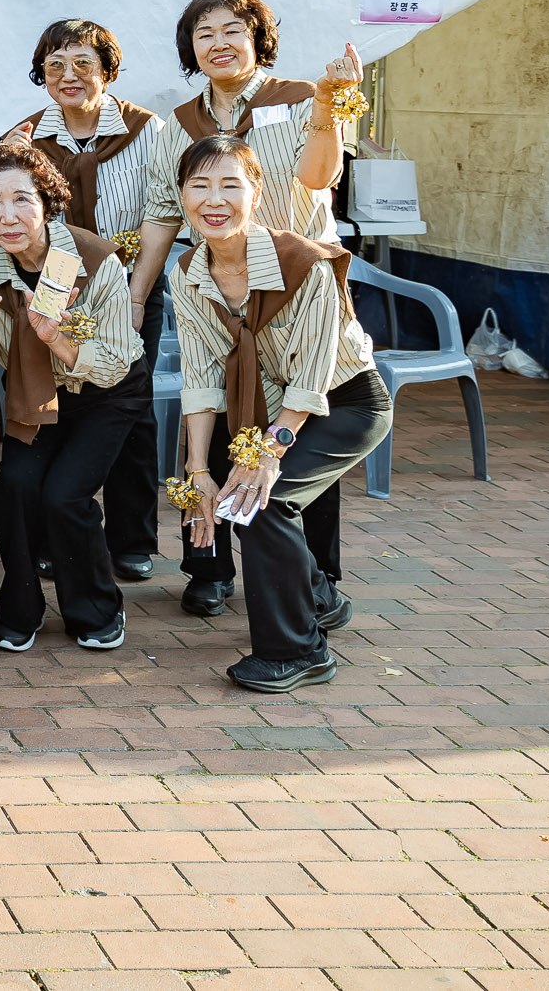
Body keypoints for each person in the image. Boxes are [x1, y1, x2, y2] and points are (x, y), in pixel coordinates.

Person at [128, 0, 363, 618]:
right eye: (204, 34)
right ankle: (206, 565)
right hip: (218, 285)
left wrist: (327, 104)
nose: (219, 43)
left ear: (258, 37)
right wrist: (133, 302)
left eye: (234, 29)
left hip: (296, 287)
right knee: (210, 405)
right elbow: (159, 216)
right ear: (190, 48)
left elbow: (319, 178)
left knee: (301, 416)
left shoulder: (298, 99)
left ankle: (318, 576)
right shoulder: (174, 125)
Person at [166, 136, 391, 692]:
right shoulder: (190, 271)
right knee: (230, 492)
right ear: (181, 196)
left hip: (344, 401)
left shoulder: (306, 265)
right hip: (264, 404)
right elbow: (200, 378)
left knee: (261, 503)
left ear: (256, 192)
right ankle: (317, 595)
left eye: (229, 185)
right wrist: (198, 473)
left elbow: (313, 380)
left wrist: (267, 454)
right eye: (199, 186)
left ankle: (299, 651)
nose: (213, 200)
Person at [0, 144, 144, 652]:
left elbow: (118, 359)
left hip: (104, 392)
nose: (7, 216)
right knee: (14, 486)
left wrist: (55, 336)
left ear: (48, 201)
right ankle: (20, 604)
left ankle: (96, 608)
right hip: (34, 397)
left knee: (64, 495)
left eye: (21, 199)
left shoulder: (94, 258)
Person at [6, 19, 164, 581]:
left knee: (129, 409)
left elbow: (159, 216)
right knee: (59, 403)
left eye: (82, 64)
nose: (69, 76)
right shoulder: (27, 137)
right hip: (53, 287)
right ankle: (59, 531)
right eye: (54, 66)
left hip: (131, 282)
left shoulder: (148, 131)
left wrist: (138, 294)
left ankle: (131, 537)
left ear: (108, 70)